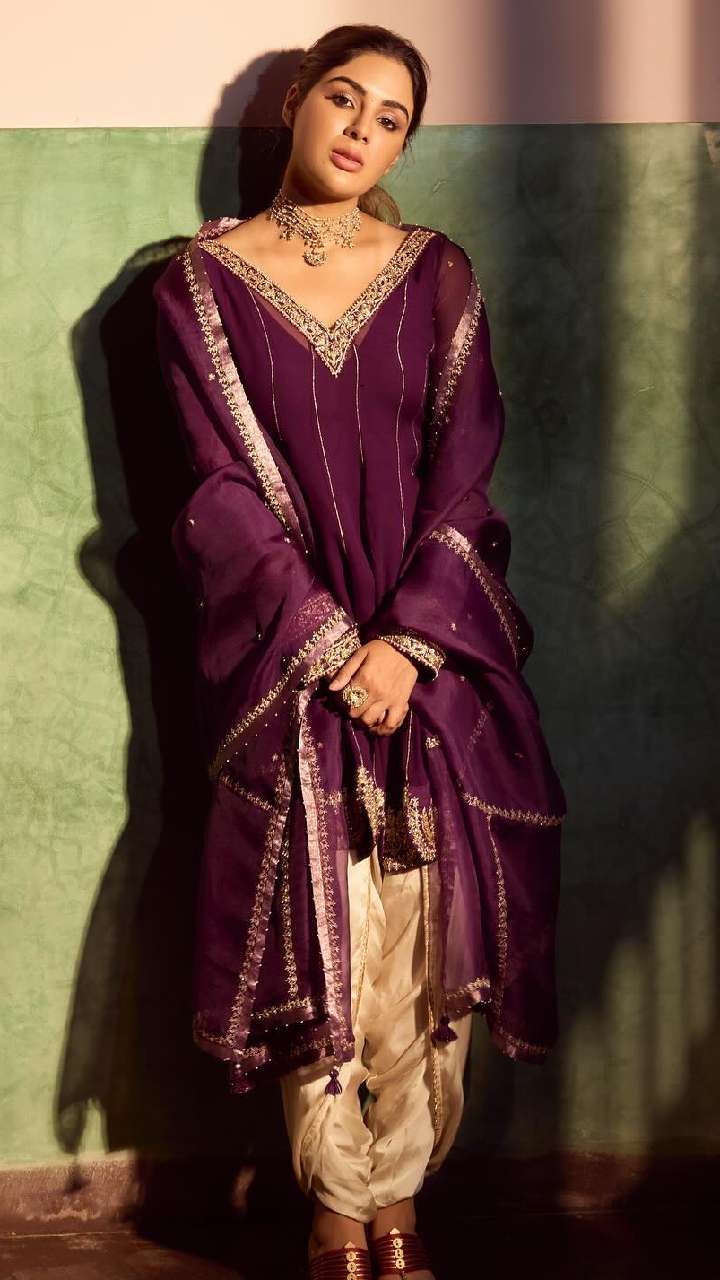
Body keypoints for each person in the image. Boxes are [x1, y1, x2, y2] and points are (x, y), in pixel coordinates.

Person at [152, 22, 567, 1280]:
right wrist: (332, 643)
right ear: (297, 100)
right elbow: (215, 491)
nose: (361, 130)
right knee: (321, 915)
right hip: (292, 654)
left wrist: (410, 644)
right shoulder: (199, 286)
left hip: (429, 656)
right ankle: (337, 1203)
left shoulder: (436, 272)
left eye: (392, 120)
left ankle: (403, 1194)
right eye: (345, 98)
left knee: (424, 924)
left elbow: (467, 473)